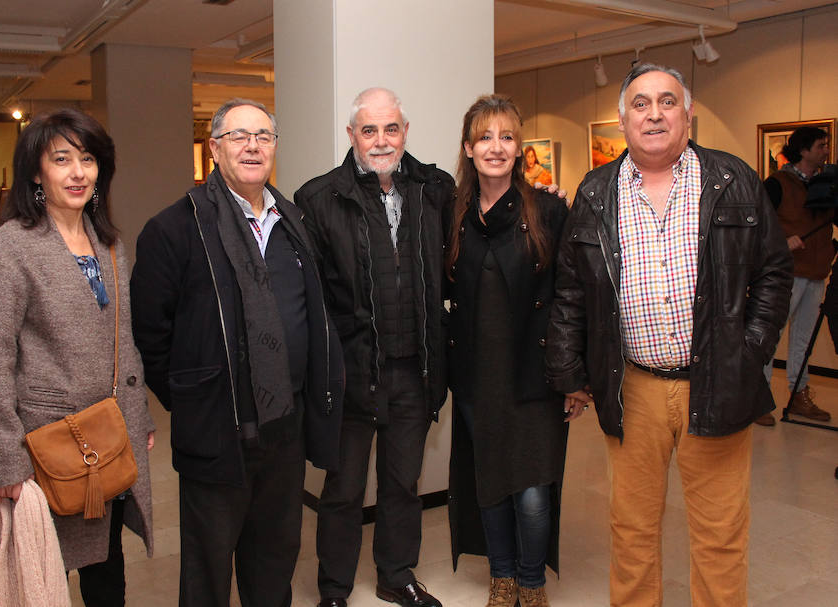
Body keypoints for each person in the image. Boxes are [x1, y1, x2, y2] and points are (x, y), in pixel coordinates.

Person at [547, 63, 792, 607]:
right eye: (640, 104)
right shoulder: (595, 192)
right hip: (632, 387)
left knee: (720, 535)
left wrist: (748, 352)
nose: (653, 114)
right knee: (632, 532)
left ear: (688, 113)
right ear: (622, 119)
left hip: (717, 382)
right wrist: (569, 373)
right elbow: (570, 291)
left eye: (666, 101)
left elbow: (773, 272)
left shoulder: (733, 181)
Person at [130, 98, 344, 607]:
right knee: (209, 562)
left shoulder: (291, 220)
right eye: (239, 136)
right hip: (218, 425)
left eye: (264, 136)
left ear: (275, 147)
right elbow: (150, 334)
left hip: (284, 423)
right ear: (215, 148)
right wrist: (192, 398)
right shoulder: (175, 228)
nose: (253, 146)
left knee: (275, 552)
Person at [0, 108, 155, 607]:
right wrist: (6, 459)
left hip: (106, 440)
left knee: (106, 571)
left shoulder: (109, 244)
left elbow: (124, 337)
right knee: (39, 579)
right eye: (62, 159)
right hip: (44, 448)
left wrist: (139, 415)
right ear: (36, 171)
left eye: (88, 159)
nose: (78, 172)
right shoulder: (9, 251)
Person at [294, 87, 452, 607]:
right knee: (342, 490)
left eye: (390, 129)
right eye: (369, 130)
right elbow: (310, 300)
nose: (381, 140)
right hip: (352, 374)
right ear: (352, 136)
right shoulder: (318, 199)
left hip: (415, 370)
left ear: (405, 132)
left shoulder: (436, 189)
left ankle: (396, 575)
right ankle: (335, 589)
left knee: (403, 484)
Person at [444, 95, 573, 607]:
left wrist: (574, 377)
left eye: (507, 137)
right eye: (485, 137)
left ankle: (531, 581)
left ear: (520, 148)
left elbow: (570, 296)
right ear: (468, 148)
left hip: (535, 377)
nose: (496, 147)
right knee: (491, 483)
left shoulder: (549, 209)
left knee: (534, 493)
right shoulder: (452, 214)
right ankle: (500, 578)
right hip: (477, 378)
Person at [757, 126, 833, 425]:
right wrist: (781, 240)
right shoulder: (777, 183)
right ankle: (758, 399)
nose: (826, 151)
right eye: (820, 146)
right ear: (803, 150)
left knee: (803, 341)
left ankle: (799, 394)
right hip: (784, 273)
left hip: (815, 272)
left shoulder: (825, 184)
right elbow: (758, 223)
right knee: (769, 338)